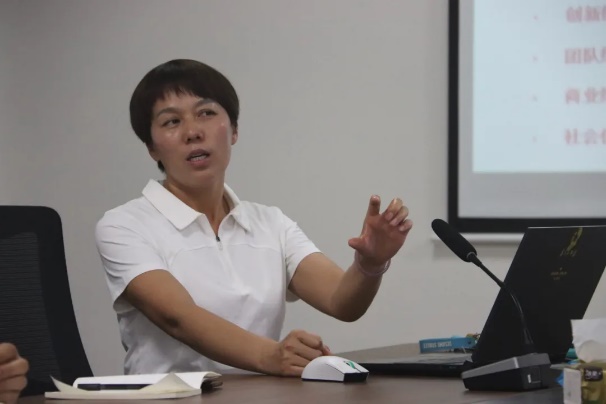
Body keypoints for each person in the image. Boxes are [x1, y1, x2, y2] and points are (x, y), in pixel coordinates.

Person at [95, 59, 413, 376]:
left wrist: (370, 265)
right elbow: (178, 317)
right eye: (171, 122)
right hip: (168, 397)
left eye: (206, 113)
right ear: (151, 147)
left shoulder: (271, 223)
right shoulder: (124, 225)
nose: (192, 132)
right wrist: (271, 356)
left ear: (234, 130)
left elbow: (340, 301)